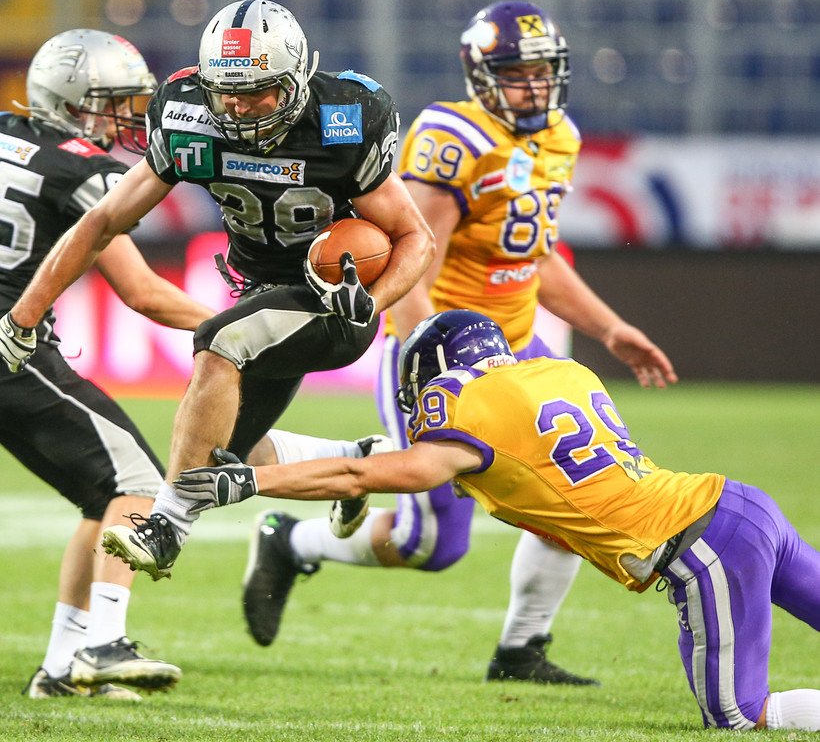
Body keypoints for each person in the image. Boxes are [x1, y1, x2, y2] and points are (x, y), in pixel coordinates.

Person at [237, 0, 676, 684]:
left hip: (520, 349)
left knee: (581, 488)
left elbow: (533, 256)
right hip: (444, 351)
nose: (534, 86)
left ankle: (522, 649)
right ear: (482, 75)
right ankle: (294, 542)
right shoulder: (455, 138)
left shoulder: (559, 137)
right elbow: (413, 255)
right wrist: (426, 359)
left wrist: (610, 328)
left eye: (542, 71)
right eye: (518, 73)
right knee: (431, 543)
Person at [172, 309, 820, 732]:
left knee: (737, 714)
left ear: (438, 371)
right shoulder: (561, 372)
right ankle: (521, 645)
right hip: (738, 504)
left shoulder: (465, 404)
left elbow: (368, 474)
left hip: (704, 548)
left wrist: (252, 479)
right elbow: (513, 475)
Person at [0, 0, 435, 584]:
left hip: (332, 300)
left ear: (296, 79)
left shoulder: (344, 119)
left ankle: (166, 526)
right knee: (222, 452)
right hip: (260, 294)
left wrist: (371, 302)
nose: (238, 107)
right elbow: (102, 221)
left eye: (256, 92)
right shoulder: (188, 115)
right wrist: (26, 312)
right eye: (226, 93)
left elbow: (416, 237)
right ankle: (356, 462)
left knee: (219, 341)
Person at [0, 29, 215, 698]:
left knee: (101, 495)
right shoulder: (78, 169)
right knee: (141, 484)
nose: (122, 118)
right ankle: (103, 644)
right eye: (111, 103)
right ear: (70, 101)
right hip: (4, 348)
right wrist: (236, 328)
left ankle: (60, 668)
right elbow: (143, 293)